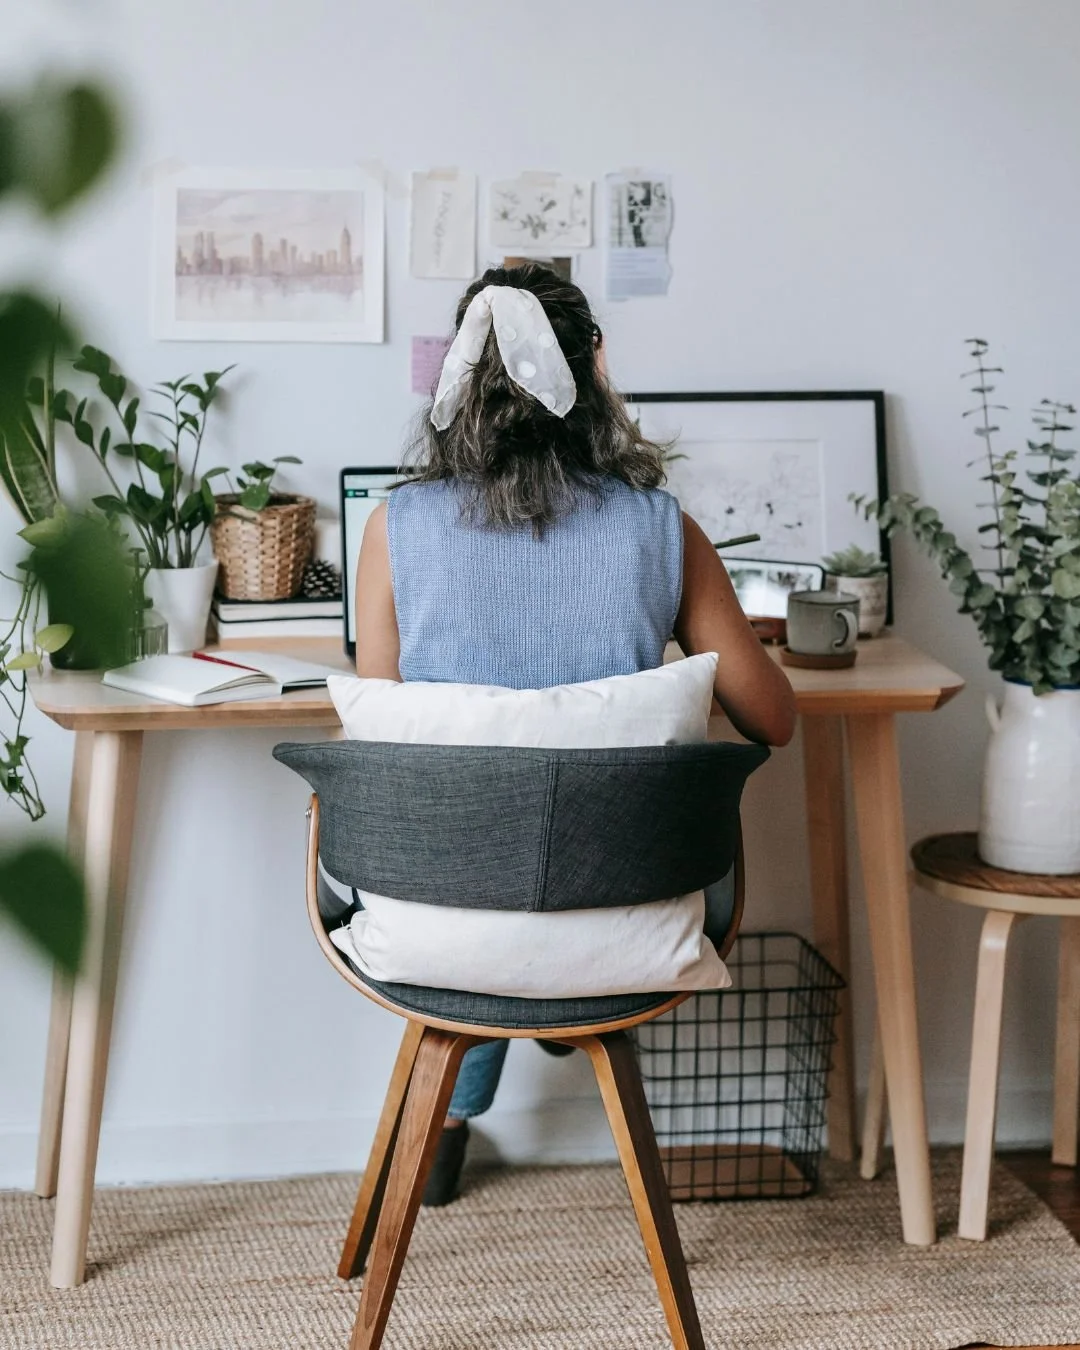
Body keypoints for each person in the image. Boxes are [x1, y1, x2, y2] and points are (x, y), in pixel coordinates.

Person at [353, 262, 796, 1205]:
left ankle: (445, 1121)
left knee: (481, 866)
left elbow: (386, 733)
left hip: (440, 902)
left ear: (463, 378)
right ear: (593, 364)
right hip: (625, 885)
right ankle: (571, 1006)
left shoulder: (395, 528)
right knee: (578, 866)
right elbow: (775, 720)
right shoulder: (661, 528)